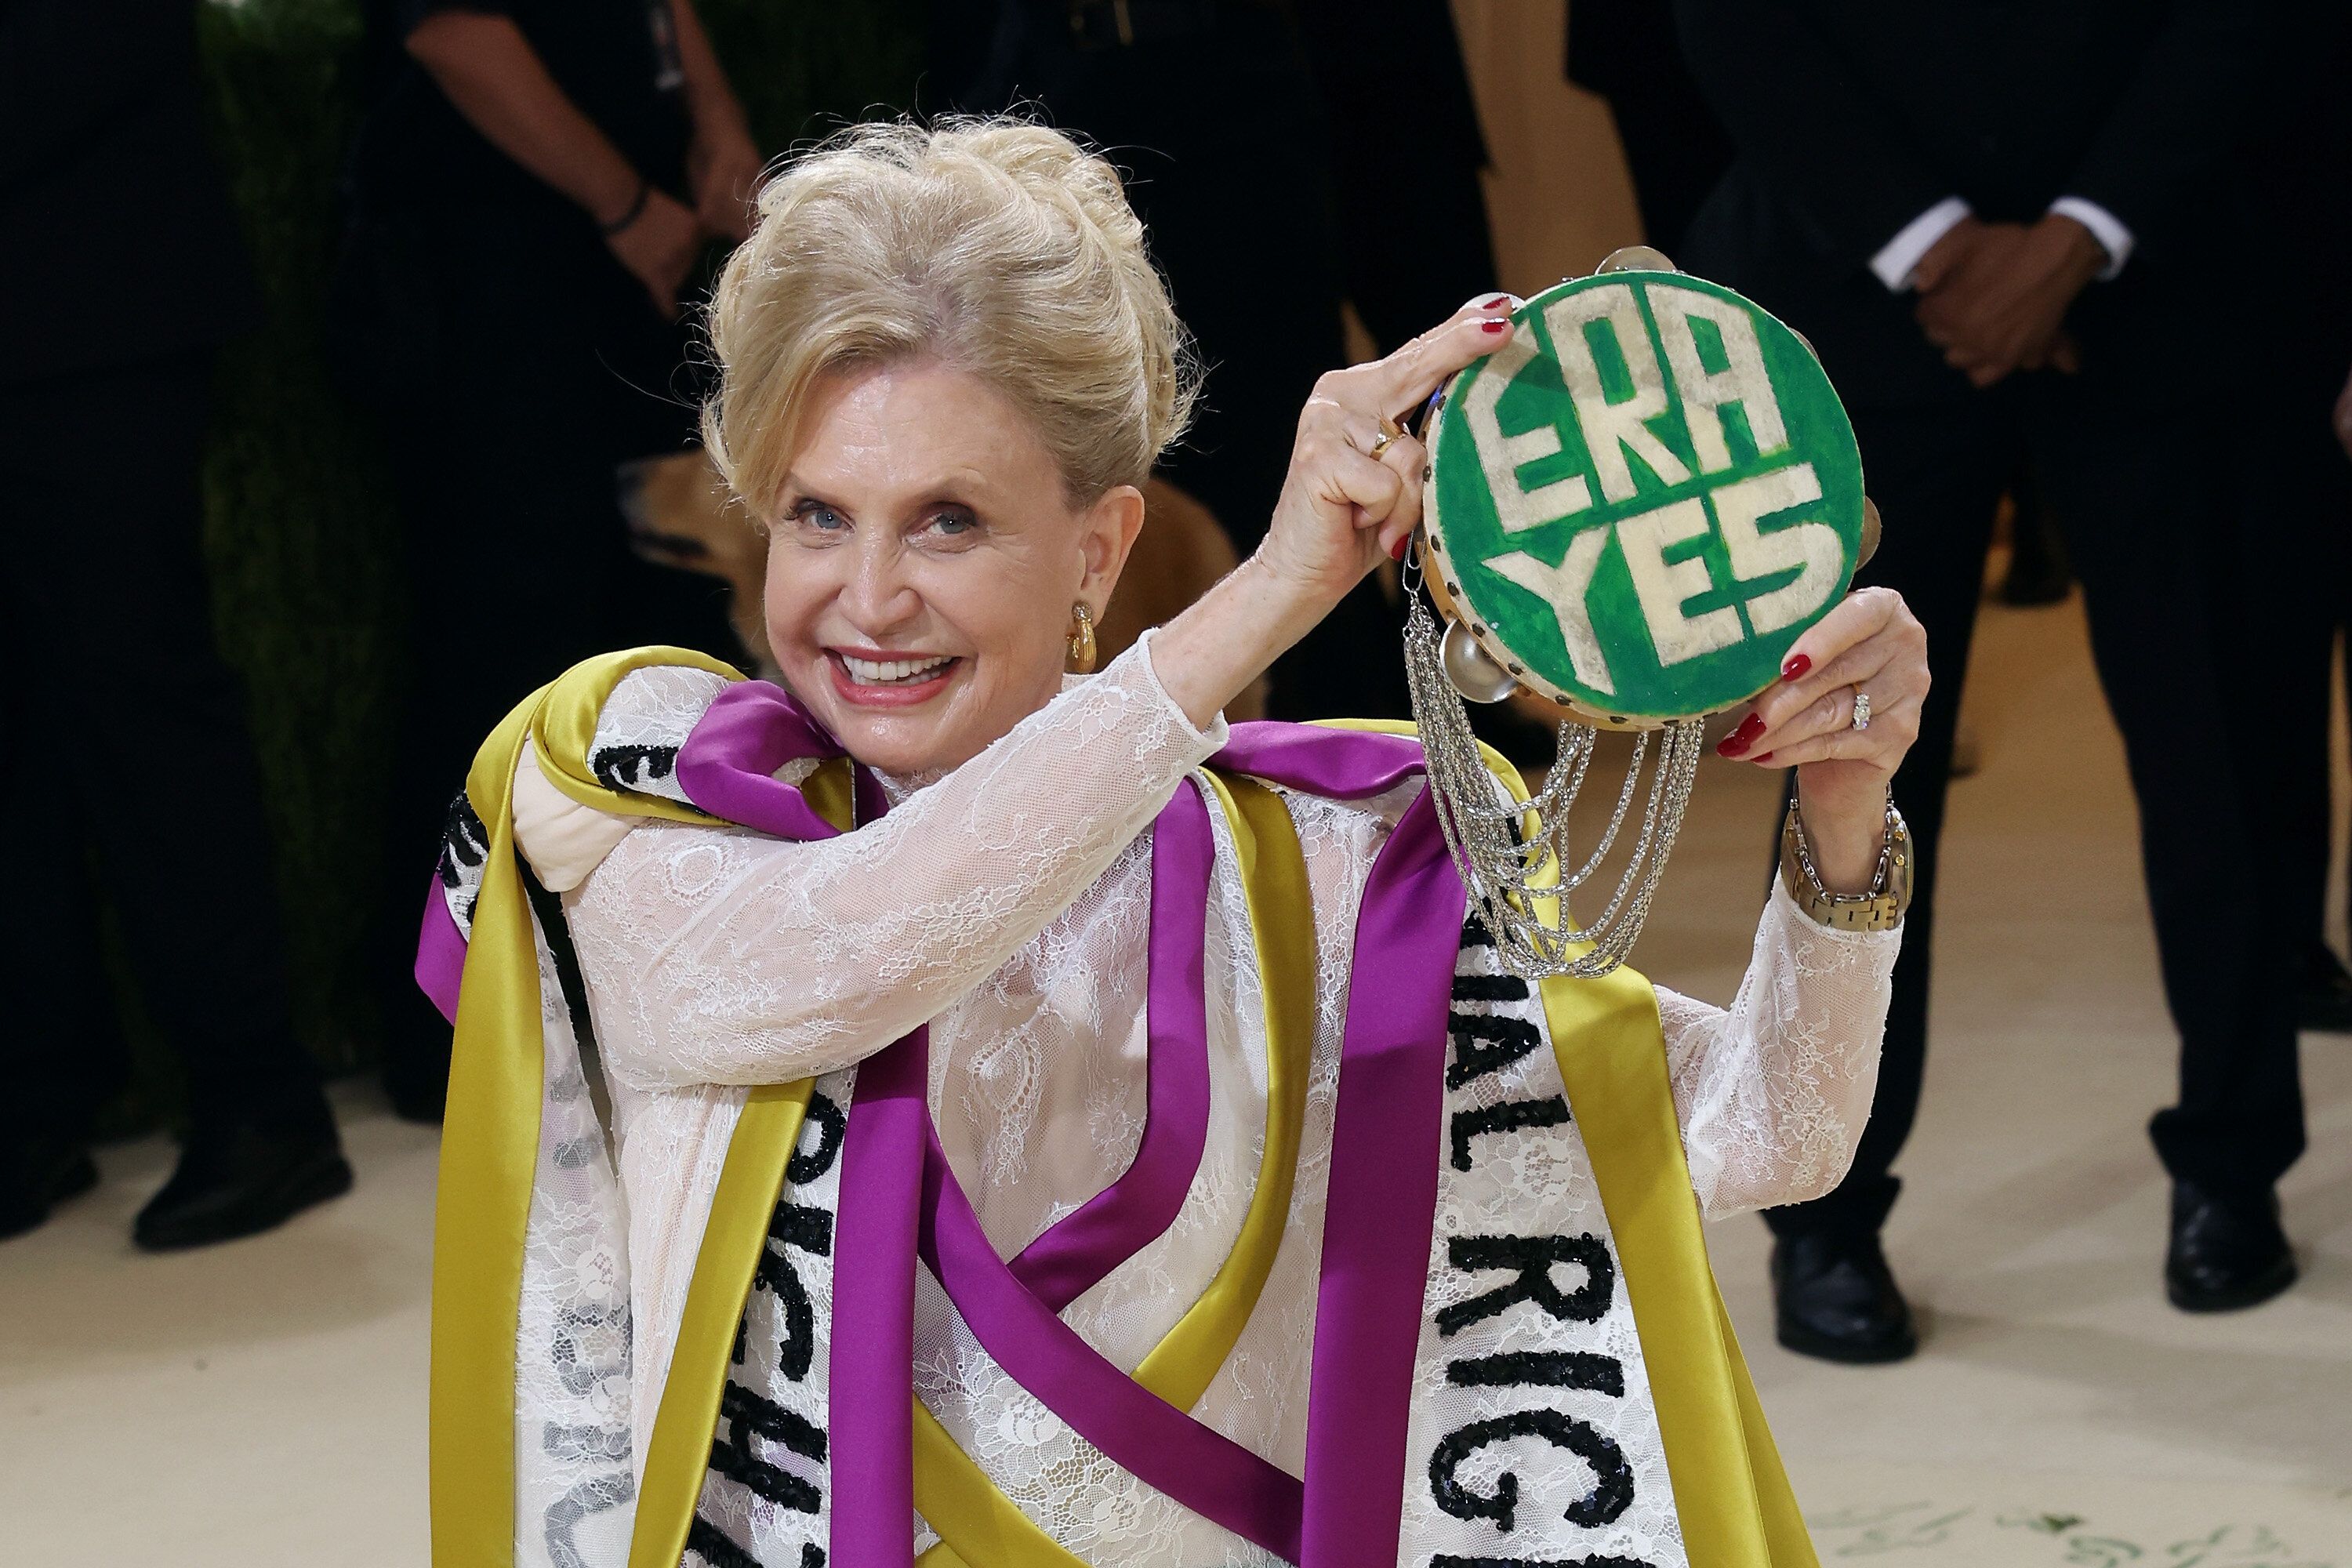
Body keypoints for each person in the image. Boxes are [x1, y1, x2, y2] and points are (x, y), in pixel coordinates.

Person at [412, 119, 1929, 1566]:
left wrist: (1848, 817)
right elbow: (855, 948)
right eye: (819, 516)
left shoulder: (1322, 866)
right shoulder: (652, 810)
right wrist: (1277, 589)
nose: (867, 601)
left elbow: (1762, 1135)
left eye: (947, 522)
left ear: (1101, 547)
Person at [1673, 0, 2304, 1362]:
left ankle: (2235, 1158)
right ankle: (1827, 1208)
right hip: (1854, 283)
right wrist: (1940, 249)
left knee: (2223, 750)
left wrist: (2080, 236)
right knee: (1841, 758)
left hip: (2173, 269)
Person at [336, 0, 762, 1121]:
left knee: (670, 640)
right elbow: (448, 28)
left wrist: (711, 120)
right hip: (499, 271)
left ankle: (687, 1000)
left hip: (634, 261)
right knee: (500, 652)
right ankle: (452, 1032)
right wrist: (622, 201)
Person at [0, 0, 350, 1248]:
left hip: (90, 314)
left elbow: (105, 35)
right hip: (60, 313)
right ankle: (38, 1094)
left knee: (144, 711)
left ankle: (262, 1100)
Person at [928, 0, 1497, 724]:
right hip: (1042, 86)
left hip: (1245, 77)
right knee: (1106, 465)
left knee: (1294, 434)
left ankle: (1362, 728)